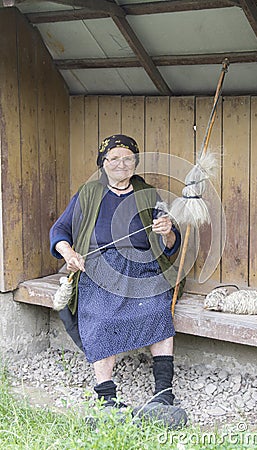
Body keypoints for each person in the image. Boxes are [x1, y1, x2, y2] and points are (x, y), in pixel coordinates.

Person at [50, 134, 186, 425]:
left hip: (143, 268)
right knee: (99, 316)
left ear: (135, 163)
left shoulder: (149, 194)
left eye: (128, 159)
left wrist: (167, 232)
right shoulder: (88, 193)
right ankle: (107, 398)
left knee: (157, 309)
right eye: (114, 159)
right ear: (103, 164)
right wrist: (69, 253)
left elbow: (172, 246)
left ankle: (163, 395)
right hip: (99, 268)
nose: (121, 165)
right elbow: (59, 231)